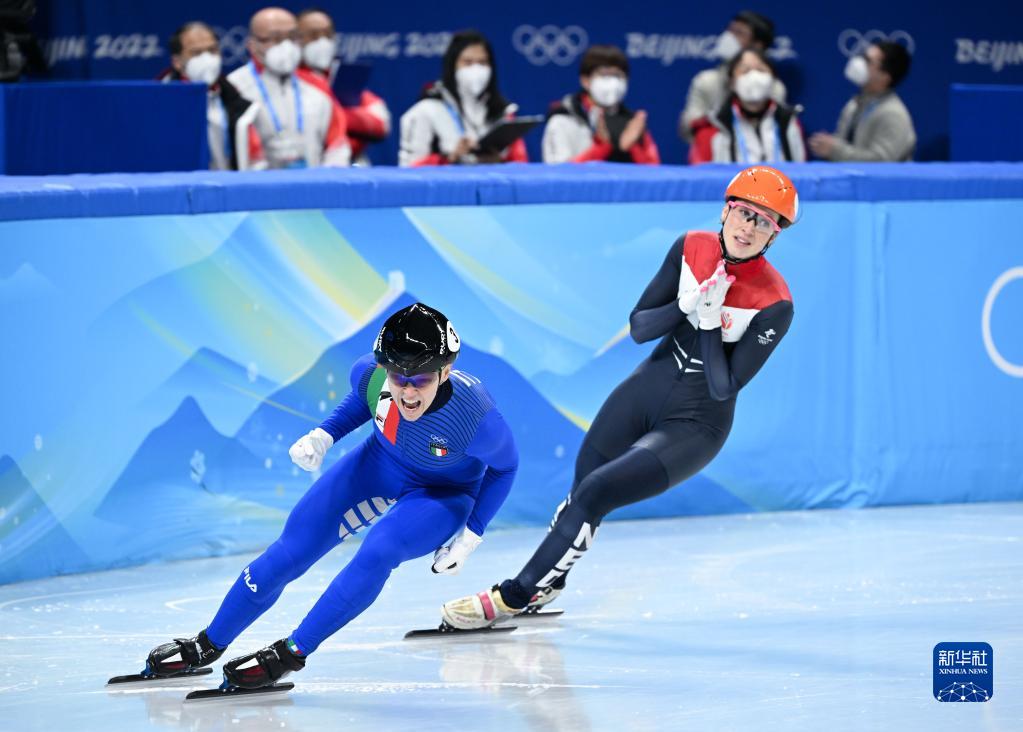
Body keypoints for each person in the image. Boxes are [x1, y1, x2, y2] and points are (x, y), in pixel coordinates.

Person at [441, 167, 798, 630]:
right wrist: (685, 308)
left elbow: (723, 387)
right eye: (745, 213)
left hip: (697, 425)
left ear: (774, 235)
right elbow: (639, 327)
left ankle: (513, 595)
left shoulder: (776, 302)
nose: (749, 227)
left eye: (765, 222)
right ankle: (549, 583)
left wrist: (710, 326)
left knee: (597, 493)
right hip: (643, 391)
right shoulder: (691, 247)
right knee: (580, 495)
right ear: (727, 210)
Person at [142, 303, 518, 689]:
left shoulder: (477, 419)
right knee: (289, 550)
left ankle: (292, 652)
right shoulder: (370, 375)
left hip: (444, 492)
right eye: (398, 377)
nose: (406, 390)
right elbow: (364, 398)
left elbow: (505, 468)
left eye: (420, 379)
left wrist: (472, 532)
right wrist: (324, 434)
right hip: (380, 464)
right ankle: (208, 643)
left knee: (380, 549)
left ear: (446, 371)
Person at [226, 6, 350, 169]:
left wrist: (327, 181)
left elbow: (338, 145)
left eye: (292, 37)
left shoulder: (317, 86)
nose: (286, 45)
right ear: (252, 45)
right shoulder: (233, 87)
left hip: (313, 187)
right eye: (276, 38)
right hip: (258, 188)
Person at [399, 29, 527, 166]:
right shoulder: (426, 110)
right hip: (447, 186)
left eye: (483, 63)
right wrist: (450, 158)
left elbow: (521, 165)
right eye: (468, 62)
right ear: (452, 65)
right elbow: (409, 170)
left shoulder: (502, 112)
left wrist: (497, 161)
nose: (476, 69)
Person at [158, 21, 258, 171]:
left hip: (229, 185)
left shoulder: (237, 98)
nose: (207, 58)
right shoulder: (161, 103)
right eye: (196, 53)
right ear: (177, 62)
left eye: (212, 50)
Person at [297, 7, 391, 165]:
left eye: (328, 35)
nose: (322, 41)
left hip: (352, 164)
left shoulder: (339, 77)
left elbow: (380, 124)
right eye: (313, 35)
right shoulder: (291, 81)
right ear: (296, 40)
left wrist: (338, 117)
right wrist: (350, 119)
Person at [680, 11, 786, 143]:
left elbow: (776, 133)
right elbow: (689, 127)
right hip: (713, 157)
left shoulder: (773, 87)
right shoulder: (706, 81)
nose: (728, 37)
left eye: (739, 33)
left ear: (758, 45)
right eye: (730, 31)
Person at [542, 44, 660, 164]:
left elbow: (654, 172)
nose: (612, 82)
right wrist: (601, 148)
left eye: (617, 75)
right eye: (604, 75)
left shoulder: (632, 123)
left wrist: (633, 147)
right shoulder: (562, 119)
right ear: (585, 80)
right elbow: (558, 174)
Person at [688, 47, 805, 164]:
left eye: (761, 70)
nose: (754, 77)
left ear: (773, 80)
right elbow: (702, 177)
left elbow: (801, 172)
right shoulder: (713, 126)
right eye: (745, 71)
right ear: (732, 82)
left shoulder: (789, 122)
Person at [808, 41, 915, 162]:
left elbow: (881, 162)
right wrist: (828, 145)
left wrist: (835, 150)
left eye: (868, 61)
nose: (859, 63)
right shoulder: (854, 104)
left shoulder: (893, 114)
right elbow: (845, 143)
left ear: (885, 76)